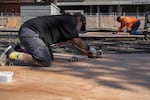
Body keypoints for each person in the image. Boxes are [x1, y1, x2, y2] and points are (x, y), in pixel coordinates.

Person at [0, 13, 98, 67]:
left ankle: (19, 50)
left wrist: (84, 52)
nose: (79, 30)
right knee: (44, 61)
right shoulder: (70, 21)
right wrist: (90, 49)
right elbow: (77, 41)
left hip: (31, 32)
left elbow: (73, 42)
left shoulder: (66, 21)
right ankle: (12, 54)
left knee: (49, 57)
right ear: (79, 21)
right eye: (81, 27)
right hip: (31, 32)